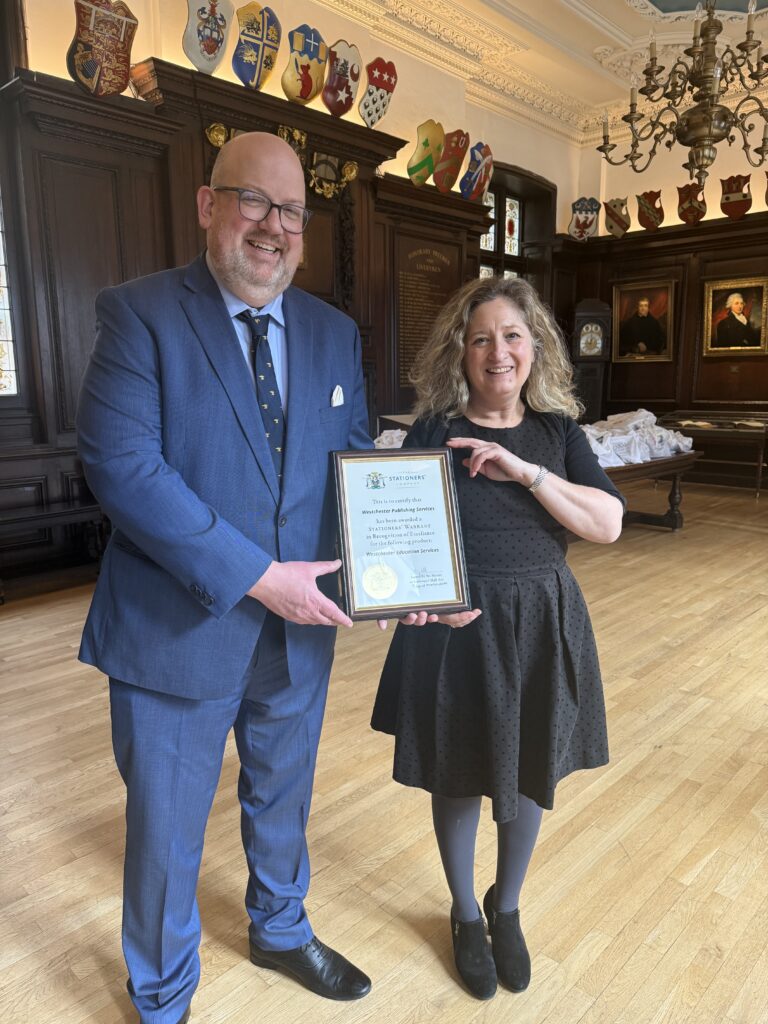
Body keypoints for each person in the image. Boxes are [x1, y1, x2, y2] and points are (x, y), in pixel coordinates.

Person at [76, 132, 373, 1024]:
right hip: (176, 629)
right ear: (209, 205)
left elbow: (352, 459)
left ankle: (280, 929)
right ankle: (163, 997)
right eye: (253, 201)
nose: (273, 228)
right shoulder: (140, 314)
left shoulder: (333, 331)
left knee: (284, 794)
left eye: (291, 212)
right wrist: (256, 575)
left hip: (302, 629)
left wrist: (399, 575)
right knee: (166, 832)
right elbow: (122, 465)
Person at [371, 276, 624, 1000]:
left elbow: (605, 523)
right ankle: (460, 910)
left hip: (541, 623)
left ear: (534, 345)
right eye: (481, 338)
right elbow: (397, 535)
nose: (498, 352)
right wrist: (411, 597)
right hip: (454, 628)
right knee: (455, 770)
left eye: (512, 336)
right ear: (462, 351)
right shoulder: (432, 430)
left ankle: (504, 907)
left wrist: (525, 472)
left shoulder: (557, 433)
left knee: (530, 768)